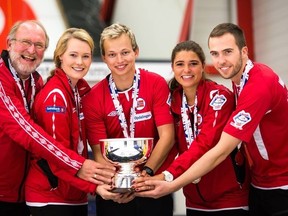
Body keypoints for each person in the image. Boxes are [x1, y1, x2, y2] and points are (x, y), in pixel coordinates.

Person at [134, 23, 288, 216]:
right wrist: (148, 173)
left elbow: (220, 150)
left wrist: (171, 182)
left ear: (244, 51)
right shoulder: (241, 80)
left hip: (281, 184)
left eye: (228, 52)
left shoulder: (258, 84)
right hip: (260, 183)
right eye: (215, 54)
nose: (221, 60)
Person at [0, 20, 115, 216]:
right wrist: (81, 169)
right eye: (25, 42)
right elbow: (28, 132)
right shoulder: (3, 80)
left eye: (39, 45)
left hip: (20, 194)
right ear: (9, 43)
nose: (31, 50)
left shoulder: (36, 81)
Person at [136, 40, 249, 215]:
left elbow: (205, 144)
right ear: (173, 68)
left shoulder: (219, 97)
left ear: (203, 66)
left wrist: (167, 175)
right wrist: (146, 173)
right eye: (180, 64)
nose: (187, 70)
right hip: (194, 199)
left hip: (229, 198)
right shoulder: (172, 101)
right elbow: (169, 144)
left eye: (193, 64)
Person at [82, 23, 177, 216]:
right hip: (116, 193)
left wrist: (146, 174)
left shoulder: (156, 84)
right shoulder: (93, 98)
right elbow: (100, 153)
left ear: (136, 52)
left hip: (154, 186)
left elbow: (167, 137)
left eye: (125, 52)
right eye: (112, 54)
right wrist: (119, 185)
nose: (119, 60)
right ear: (105, 58)